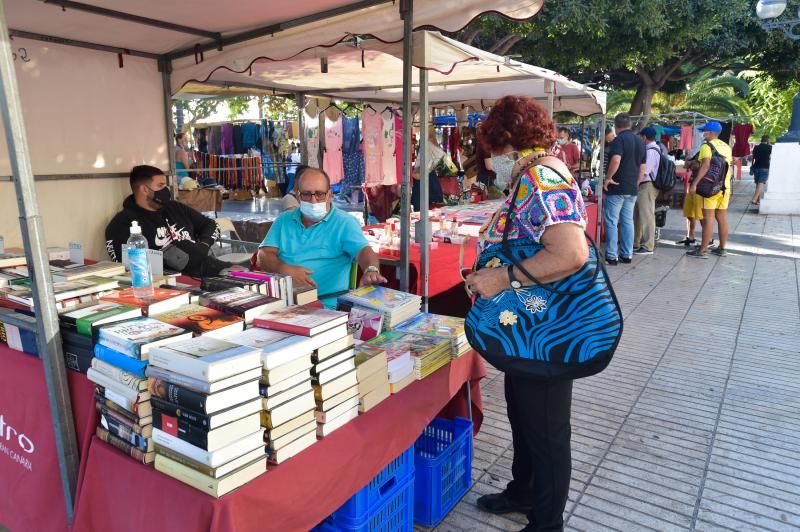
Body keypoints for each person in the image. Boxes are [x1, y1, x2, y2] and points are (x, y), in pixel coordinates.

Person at [465, 95, 588, 532]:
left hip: (548, 329)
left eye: (492, 151)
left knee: (548, 428)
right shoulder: (529, 176)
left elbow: (571, 253)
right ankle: (525, 489)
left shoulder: (541, 177)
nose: (490, 162)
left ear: (507, 142)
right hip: (528, 325)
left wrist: (502, 280)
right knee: (523, 410)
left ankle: (546, 521)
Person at [255, 167, 387, 298]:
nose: (313, 200)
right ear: (298, 196)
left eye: (319, 194)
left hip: (325, 305)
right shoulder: (284, 220)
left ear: (330, 195)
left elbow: (363, 250)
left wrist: (371, 270)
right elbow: (264, 255)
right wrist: (285, 270)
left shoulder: (344, 223)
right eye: (306, 194)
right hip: (280, 301)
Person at [105, 165, 234, 277]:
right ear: (144, 189)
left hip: (209, 269)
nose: (165, 190)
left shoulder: (175, 207)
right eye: (160, 185)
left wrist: (204, 245)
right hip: (172, 284)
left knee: (243, 274)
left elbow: (210, 224)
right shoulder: (121, 224)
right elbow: (127, 267)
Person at [603, 113, 646, 265]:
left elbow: (616, 159)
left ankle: (612, 255)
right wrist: (637, 182)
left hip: (616, 186)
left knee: (611, 221)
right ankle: (627, 255)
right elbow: (643, 167)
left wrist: (608, 177)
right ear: (630, 124)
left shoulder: (618, 140)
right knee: (628, 221)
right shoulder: (640, 141)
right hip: (632, 188)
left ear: (616, 126)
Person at [687, 121, 733, 258]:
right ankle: (722, 248)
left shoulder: (707, 146)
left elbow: (705, 165)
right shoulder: (726, 146)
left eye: (705, 131)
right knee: (722, 217)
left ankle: (703, 250)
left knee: (708, 218)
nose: (703, 133)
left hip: (710, 188)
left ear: (711, 133)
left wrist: (695, 183)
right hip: (725, 187)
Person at [632, 126, 660, 255]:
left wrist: (635, 183)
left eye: (641, 136)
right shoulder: (651, 149)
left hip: (646, 185)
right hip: (643, 185)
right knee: (638, 216)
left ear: (644, 137)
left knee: (647, 215)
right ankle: (637, 242)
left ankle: (648, 245)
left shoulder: (651, 151)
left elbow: (644, 172)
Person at [677, 157, 705, 246]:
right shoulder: (696, 153)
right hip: (692, 188)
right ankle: (691, 236)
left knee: (701, 216)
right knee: (689, 214)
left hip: (699, 189)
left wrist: (691, 163)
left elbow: (701, 165)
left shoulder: (704, 152)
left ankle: (708, 239)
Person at [750, 135, 772, 206]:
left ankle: (758, 200)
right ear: (768, 140)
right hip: (765, 167)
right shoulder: (769, 147)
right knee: (761, 183)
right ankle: (754, 199)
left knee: (758, 184)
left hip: (756, 167)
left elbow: (753, 157)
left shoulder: (756, 147)